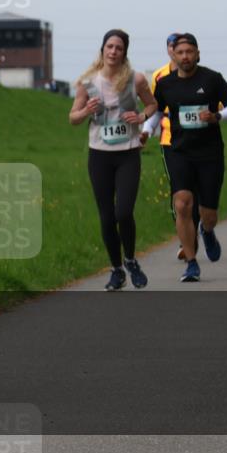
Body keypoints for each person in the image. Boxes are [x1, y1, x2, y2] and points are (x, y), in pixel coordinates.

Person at [143, 33, 227, 283]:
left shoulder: (212, 78)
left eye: (189, 52)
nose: (185, 56)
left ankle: (207, 231)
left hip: (209, 152)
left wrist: (217, 116)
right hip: (179, 150)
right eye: (180, 52)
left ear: (198, 54)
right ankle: (191, 262)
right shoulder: (165, 84)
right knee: (182, 204)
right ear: (173, 55)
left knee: (208, 213)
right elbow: (157, 113)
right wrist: (146, 130)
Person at [70, 30, 158, 291]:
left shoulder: (136, 79)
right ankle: (117, 270)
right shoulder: (87, 82)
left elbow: (152, 105)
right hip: (99, 155)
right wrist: (86, 111)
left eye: (118, 48)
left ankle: (130, 260)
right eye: (109, 46)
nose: (113, 51)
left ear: (124, 53)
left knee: (124, 212)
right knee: (107, 216)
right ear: (102, 50)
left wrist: (141, 118)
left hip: (128, 153)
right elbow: (73, 118)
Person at [151, 33, 201, 261]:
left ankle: (196, 230)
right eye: (172, 47)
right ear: (168, 50)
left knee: (195, 194)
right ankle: (184, 240)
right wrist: (147, 127)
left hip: (197, 139)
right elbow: (155, 105)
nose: (175, 51)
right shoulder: (159, 76)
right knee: (179, 193)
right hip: (169, 139)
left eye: (180, 47)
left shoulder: (201, 76)